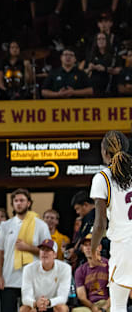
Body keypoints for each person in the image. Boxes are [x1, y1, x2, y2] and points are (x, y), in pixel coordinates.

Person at [90, 130, 132, 312]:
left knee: (118, 306)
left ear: (105, 152)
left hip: (124, 247)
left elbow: (100, 224)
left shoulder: (103, 177)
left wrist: (93, 249)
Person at [0, 188, 51, 312]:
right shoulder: (5, 225)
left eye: (22, 200)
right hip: (9, 278)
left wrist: (28, 248)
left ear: (29, 203)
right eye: (16, 201)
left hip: (33, 279)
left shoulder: (41, 225)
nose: (19, 203)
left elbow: (49, 251)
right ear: (12, 204)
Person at [20, 239, 71, 312]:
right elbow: (25, 297)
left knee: (62, 308)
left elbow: (63, 297)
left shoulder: (65, 268)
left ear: (55, 254)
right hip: (36, 305)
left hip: (53, 304)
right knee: (24, 309)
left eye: (48, 250)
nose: (44, 253)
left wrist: (49, 302)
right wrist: (35, 303)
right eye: (42, 249)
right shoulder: (28, 269)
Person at [74, 234, 109, 312]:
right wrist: (93, 307)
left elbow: (116, 291)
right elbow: (81, 297)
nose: (88, 248)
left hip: (108, 302)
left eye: (92, 244)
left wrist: (104, 308)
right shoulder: (80, 270)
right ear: (82, 249)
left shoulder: (109, 265)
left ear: (99, 247)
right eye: (85, 245)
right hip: (90, 305)